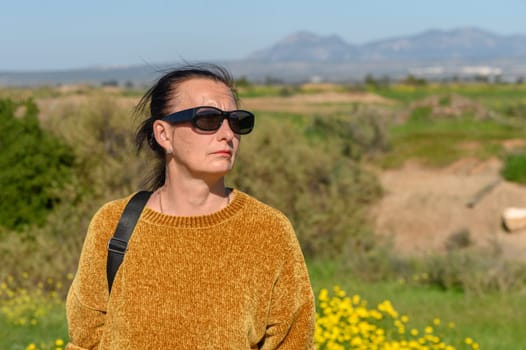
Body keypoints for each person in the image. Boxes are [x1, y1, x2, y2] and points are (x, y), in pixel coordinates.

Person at [65, 63, 316, 349]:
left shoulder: (269, 230)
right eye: (207, 119)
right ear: (163, 134)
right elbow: (85, 339)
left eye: (236, 121)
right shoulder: (113, 223)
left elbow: (293, 341)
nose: (227, 134)